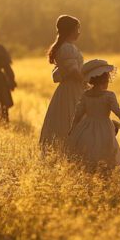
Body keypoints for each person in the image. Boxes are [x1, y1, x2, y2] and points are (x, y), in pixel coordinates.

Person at [67, 59, 120, 169]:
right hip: (104, 127)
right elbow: (117, 110)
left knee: (89, 152)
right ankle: (104, 175)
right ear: (105, 80)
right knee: (105, 151)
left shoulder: (85, 95)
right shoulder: (109, 95)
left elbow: (78, 114)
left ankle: (90, 172)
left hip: (86, 127)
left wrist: (72, 128)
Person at [40, 15, 85, 149]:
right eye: (77, 29)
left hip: (70, 88)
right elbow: (73, 71)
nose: (79, 32)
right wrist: (86, 82)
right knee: (71, 118)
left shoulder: (67, 47)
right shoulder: (67, 48)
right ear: (70, 30)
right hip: (72, 89)